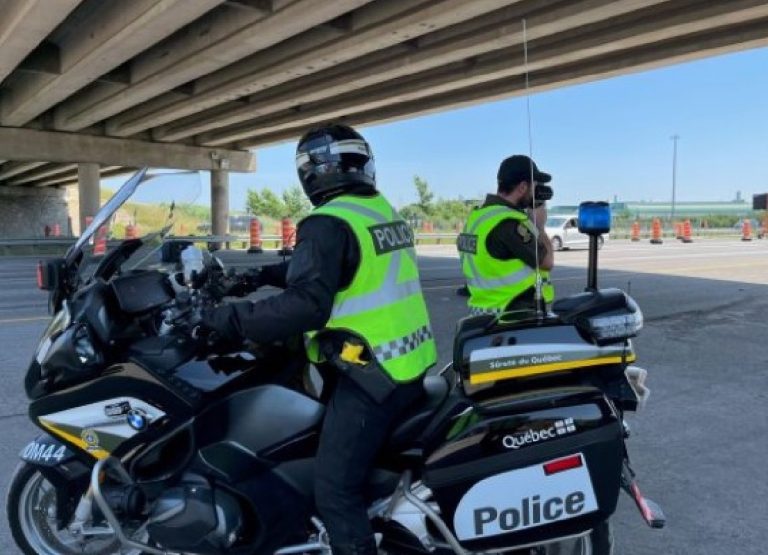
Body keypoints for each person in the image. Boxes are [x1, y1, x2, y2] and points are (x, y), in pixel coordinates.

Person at [203, 123, 437, 555]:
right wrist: (255, 276)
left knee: (335, 490)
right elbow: (335, 267)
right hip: (407, 362)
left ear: (313, 172)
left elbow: (307, 305)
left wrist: (228, 319)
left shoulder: (328, 221)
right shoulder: (377, 210)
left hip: (371, 377)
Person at [457, 154, 555, 315]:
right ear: (522, 187)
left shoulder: (479, 217)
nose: (535, 192)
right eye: (534, 186)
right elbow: (547, 262)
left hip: (484, 313)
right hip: (513, 317)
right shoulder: (508, 223)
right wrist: (540, 227)